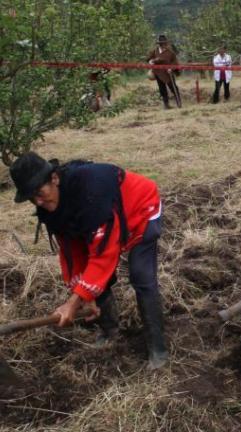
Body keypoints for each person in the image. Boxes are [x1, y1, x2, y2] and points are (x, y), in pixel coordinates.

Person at [9, 152, 169, 370]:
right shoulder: (53, 208)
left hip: (140, 208)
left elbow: (104, 255)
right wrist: (83, 292)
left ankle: (158, 349)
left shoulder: (91, 192)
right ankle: (110, 331)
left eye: (39, 192)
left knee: (141, 276)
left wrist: (73, 303)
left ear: (54, 178)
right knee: (90, 280)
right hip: (105, 219)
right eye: (31, 197)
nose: (38, 201)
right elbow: (71, 251)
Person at [147, 34, 182, 109]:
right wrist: (151, 61)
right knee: (162, 89)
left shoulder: (170, 52)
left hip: (168, 73)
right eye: (162, 43)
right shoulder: (155, 51)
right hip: (158, 73)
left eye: (164, 43)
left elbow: (175, 62)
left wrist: (171, 68)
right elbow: (149, 58)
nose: (164, 45)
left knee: (174, 88)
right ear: (159, 44)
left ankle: (179, 103)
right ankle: (166, 104)